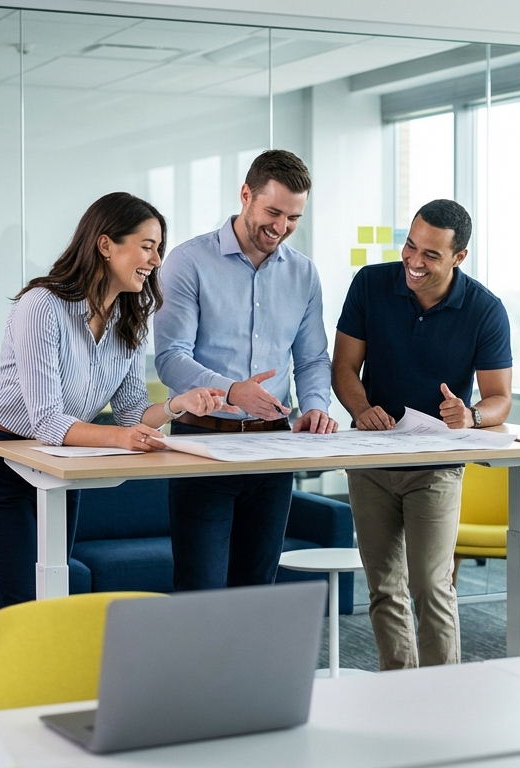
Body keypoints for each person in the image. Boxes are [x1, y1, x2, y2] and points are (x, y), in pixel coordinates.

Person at [0, 192, 234, 609]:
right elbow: (48, 421)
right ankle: (8, 677)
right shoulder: (41, 306)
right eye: (147, 246)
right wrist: (123, 439)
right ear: (106, 245)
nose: (157, 261)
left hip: (61, 466)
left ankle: (53, 677)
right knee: (20, 606)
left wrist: (180, 404)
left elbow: (131, 412)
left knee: (53, 599)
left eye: (159, 249)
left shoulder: (130, 318)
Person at [332, 199, 512, 670]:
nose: (414, 261)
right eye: (410, 245)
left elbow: (499, 398)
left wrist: (471, 415)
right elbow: (345, 368)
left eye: (431, 254)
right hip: (371, 460)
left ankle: (441, 693)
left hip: (435, 467)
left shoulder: (484, 309)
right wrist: (362, 408)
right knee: (384, 586)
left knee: (431, 585)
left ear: (459, 257)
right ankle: (399, 686)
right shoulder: (370, 284)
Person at [154, 150, 337, 593]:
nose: (280, 227)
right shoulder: (188, 261)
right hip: (203, 445)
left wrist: (315, 406)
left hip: (273, 446)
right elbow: (170, 357)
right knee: (201, 588)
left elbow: (312, 358)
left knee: (257, 587)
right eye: (273, 212)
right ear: (245, 195)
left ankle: (250, 668)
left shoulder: (303, 274)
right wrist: (233, 391)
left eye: (293, 218)